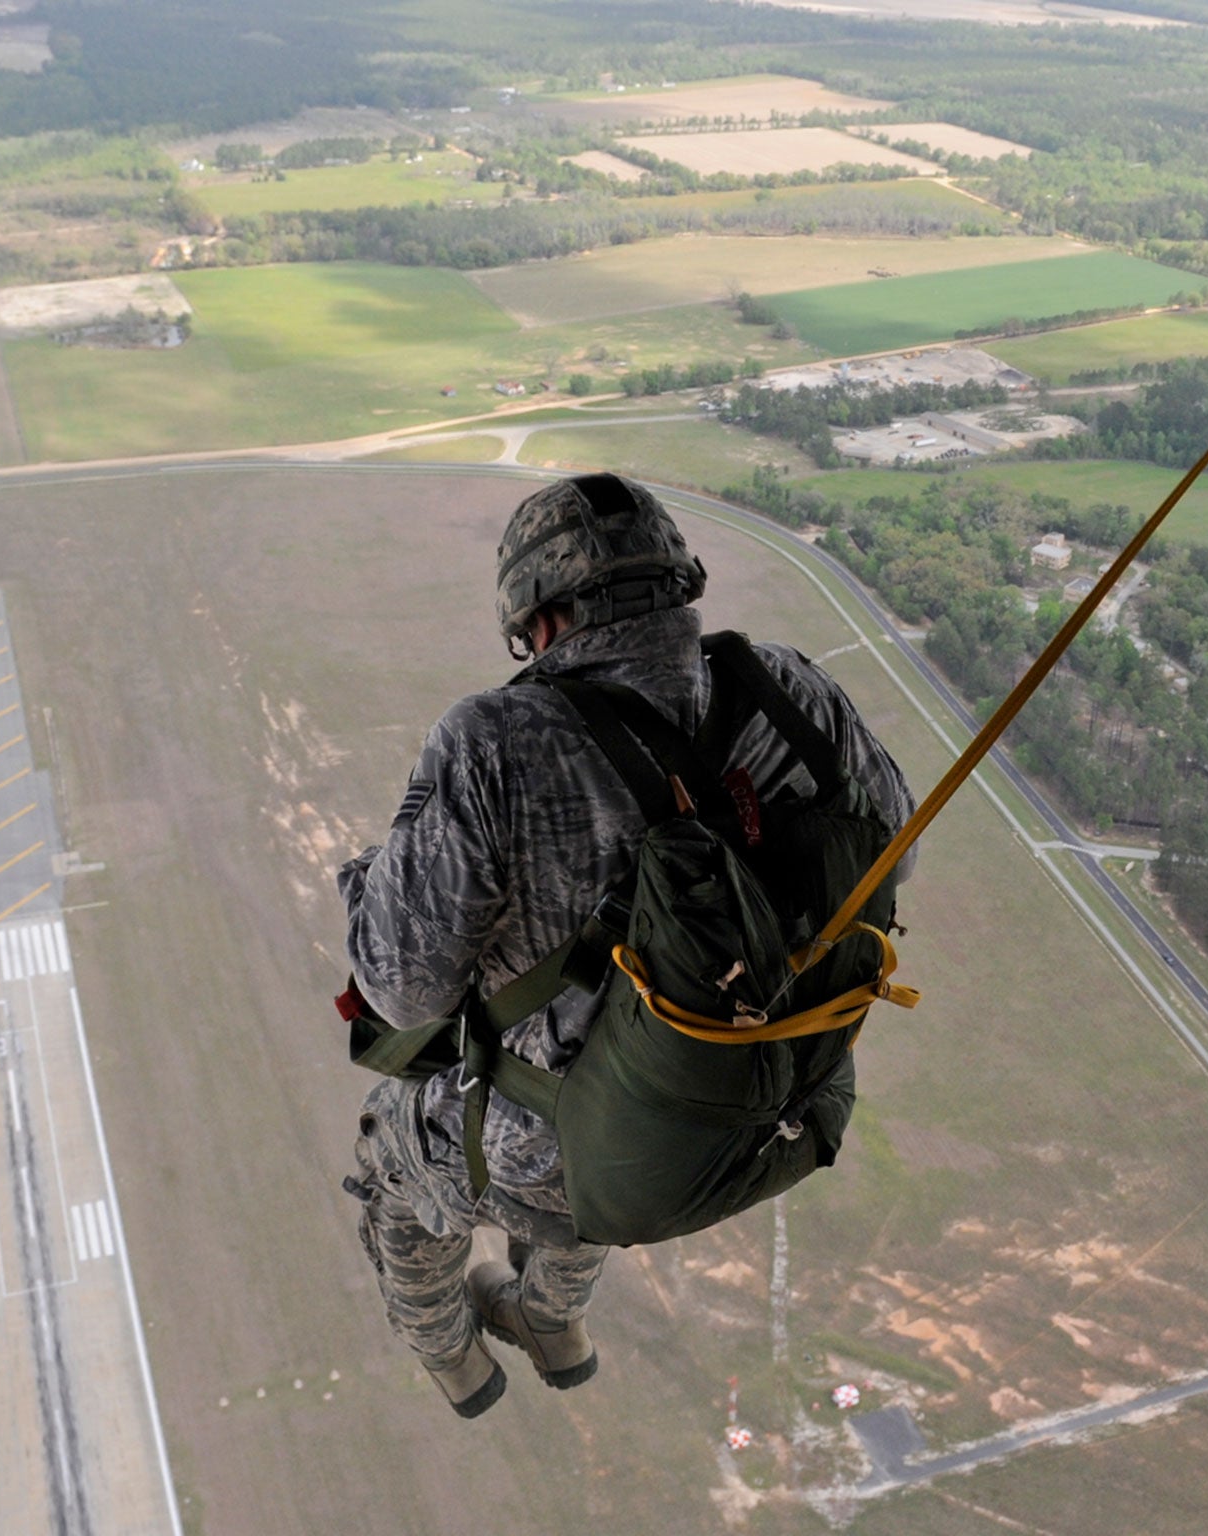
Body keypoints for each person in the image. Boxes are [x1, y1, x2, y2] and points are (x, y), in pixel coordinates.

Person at [338, 473, 916, 1416]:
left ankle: (453, 1356)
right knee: (623, 1070)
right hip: (750, 1105)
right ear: (676, 581)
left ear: (540, 618)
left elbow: (401, 990)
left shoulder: (495, 742)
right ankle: (552, 1323)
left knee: (395, 1152)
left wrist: (377, 874)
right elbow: (892, 859)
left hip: (570, 1145)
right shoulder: (793, 691)